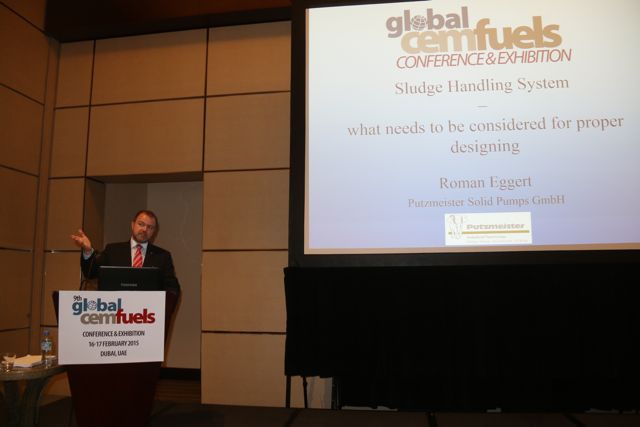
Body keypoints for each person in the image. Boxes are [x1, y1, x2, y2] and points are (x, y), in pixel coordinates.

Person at [70, 209, 180, 295]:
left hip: (148, 313)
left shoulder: (162, 256)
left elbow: (172, 289)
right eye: (141, 224)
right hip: (114, 310)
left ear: (154, 231)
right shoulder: (112, 250)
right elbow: (90, 273)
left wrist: (162, 310)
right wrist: (88, 251)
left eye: (150, 227)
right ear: (132, 225)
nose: (145, 230)